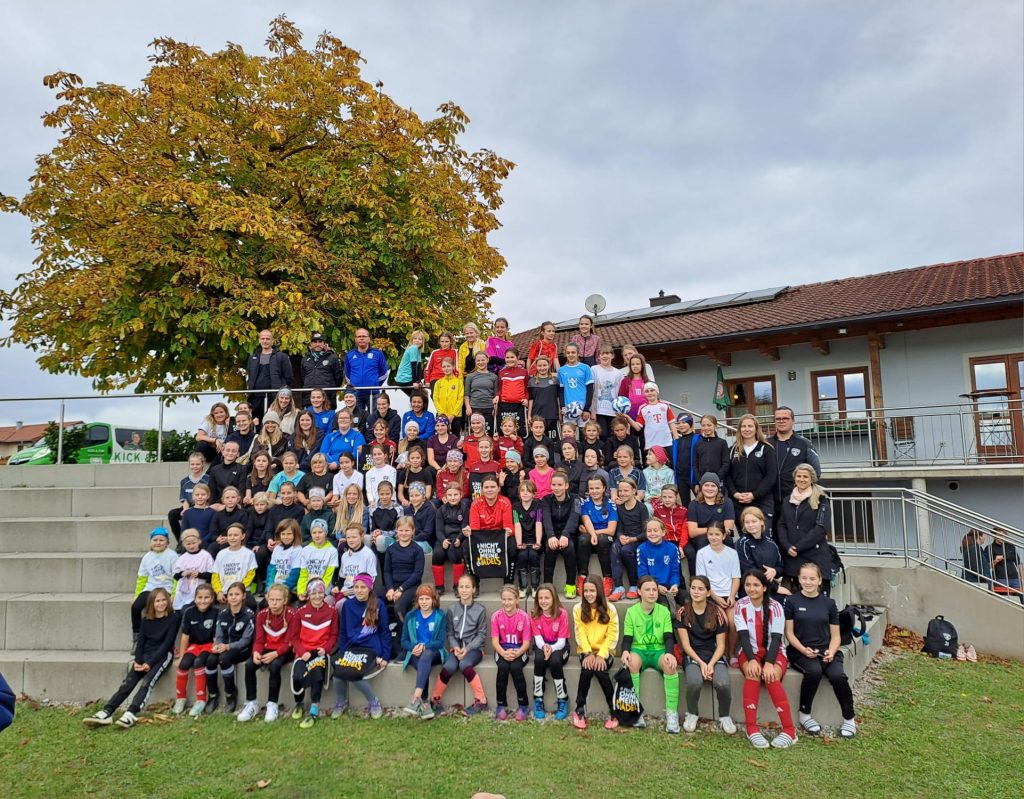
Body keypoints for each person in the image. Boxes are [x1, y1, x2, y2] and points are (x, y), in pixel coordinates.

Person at [83, 587, 178, 729]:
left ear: (169, 601)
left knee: (147, 682)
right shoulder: (146, 620)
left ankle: (131, 713)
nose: (161, 603)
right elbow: (140, 643)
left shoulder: (174, 619)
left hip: (162, 656)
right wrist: (138, 661)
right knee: (127, 683)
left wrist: (150, 663)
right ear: (151, 604)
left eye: (164, 600)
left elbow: (167, 644)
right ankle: (107, 711)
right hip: (145, 655)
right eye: (157, 601)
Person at [785, 562, 857, 739]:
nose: (808, 582)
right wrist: (803, 650)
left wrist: (831, 651)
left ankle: (849, 718)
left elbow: (836, 636)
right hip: (800, 652)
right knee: (814, 672)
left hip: (826, 651)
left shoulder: (829, 603)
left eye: (812, 578)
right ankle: (805, 714)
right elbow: (789, 634)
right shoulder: (792, 601)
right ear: (798, 579)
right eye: (804, 578)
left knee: (837, 676)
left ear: (819, 580)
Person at [735, 570, 796, 749]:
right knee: (752, 672)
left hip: (774, 652)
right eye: (748, 585)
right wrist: (752, 660)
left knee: (771, 676)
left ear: (764, 587)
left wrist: (769, 663)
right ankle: (751, 728)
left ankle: (789, 731)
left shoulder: (776, 606)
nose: (751, 589)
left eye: (756, 585)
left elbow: (776, 639)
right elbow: (743, 637)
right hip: (750, 652)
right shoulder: (740, 605)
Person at [674, 575, 735, 734]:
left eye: (700, 589)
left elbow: (721, 645)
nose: (696, 592)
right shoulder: (682, 612)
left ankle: (724, 715)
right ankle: (692, 713)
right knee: (694, 682)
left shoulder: (717, 612)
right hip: (693, 655)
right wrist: (701, 663)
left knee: (722, 684)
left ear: (708, 593)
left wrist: (711, 663)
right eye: (693, 588)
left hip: (714, 654)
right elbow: (686, 645)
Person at [620, 576, 681, 732]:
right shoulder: (632, 612)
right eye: (647, 589)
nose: (652, 593)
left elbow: (668, 637)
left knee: (670, 665)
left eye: (654, 589)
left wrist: (669, 653)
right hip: (639, 650)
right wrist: (625, 651)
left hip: (658, 650)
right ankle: (635, 711)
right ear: (639, 592)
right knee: (631, 663)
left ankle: (672, 714)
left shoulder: (664, 611)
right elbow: (627, 638)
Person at [331, 573, 390, 719]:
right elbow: (343, 632)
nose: (359, 590)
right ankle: (341, 701)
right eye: (356, 587)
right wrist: (343, 652)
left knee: (355, 674)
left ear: (369, 588)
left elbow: (385, 632)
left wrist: (385, 656)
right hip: (351, 647)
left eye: (363, 587)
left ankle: (373, 701)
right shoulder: (347, 605)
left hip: (370, 648)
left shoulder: (378, 604)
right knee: (337, 674)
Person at [430, 572, 489, 715]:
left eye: (467, 587)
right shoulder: (452, 609)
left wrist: (467, 648)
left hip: (474, 649)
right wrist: (455, 647)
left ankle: (481, 701)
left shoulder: (480, 610)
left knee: (464, 664)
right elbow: (450, 633)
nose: (464, 590)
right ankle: (434, 699)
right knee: (449, 666)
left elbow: (481, 635)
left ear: (473, 589)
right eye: (461, 587)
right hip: (456, 649)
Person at [236, 583, 296, 722]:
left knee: (275, 666)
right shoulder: (262, 615)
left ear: (285, 600)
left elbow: (289, 642)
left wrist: (275, 654)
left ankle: (272, 704)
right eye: (271, 599)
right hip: (267, 647)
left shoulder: (292, 614)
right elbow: (259, 640)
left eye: (278, 600)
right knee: (250, 665)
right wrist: (256, 652)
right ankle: (252, 703)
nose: (274, 603)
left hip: (284, 650)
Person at [776, 464, 833, 595]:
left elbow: (821, 528)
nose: (801, 479)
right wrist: (787, 546)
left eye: (805, 477)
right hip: (792, 560)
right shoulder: (787, 500)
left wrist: (798, 547)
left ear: (811, 479)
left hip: (814, 557)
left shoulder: (821, 499)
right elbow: (781, 525)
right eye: (799, 476)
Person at [571, 575, 619, 729]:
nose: (588, 594)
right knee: (587, 667)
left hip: (605, 651)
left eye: (592, 590)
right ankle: (579, 709)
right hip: (586, 650)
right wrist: (588, 653)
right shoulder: (578, 609)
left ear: (599, 591)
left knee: (600, 669)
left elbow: (612, 635)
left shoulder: (610, 609)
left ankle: (614, 709)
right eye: (585, 591)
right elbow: (580, 634)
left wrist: (601, 655)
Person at [290, 578, 338, 727]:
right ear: (308, 594)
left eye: (320, 592)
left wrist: (326, 648)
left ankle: (313, 710)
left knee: (317, 674)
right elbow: (294, 637)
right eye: (313, 593)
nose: (317, 596)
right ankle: (299, 703)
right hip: (303, 653)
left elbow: (334, 636)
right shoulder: (300, 612)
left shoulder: (332, 611)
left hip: (320, 653)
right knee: (297, 676)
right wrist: (301, 652)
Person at [768, 406, 821, 532]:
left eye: (785, 418)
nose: (781, 421)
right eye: (778, 419)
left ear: (792, 421)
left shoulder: (804, 443)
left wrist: (803, 492)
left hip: (795, 502)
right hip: (770, 503)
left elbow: (816, 472)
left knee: (794, 537)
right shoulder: (766, 443)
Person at [401, 584, 448, 720]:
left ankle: (416, 697)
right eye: (421, 599)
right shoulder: (411, 616)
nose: (424, 602)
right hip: (415, 653)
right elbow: (404, 641)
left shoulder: (440, 615)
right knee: (423, 664)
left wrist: (424, 646)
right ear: (417, 600)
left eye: (427, 598)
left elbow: (440, 641)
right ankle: (425, 703)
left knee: (426, 655)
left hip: (434, 652)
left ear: (433, 599)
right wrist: (413, 647)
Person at [172, 583, 218, 716]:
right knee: (183, 664)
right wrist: (181, 656)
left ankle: (201, 700)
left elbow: (216, 636)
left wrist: (215, 649)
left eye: (206, 597)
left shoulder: (216, 613)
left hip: (209, 645)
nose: (203, 601)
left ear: (212, 598)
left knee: (198, 662)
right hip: (194, 646)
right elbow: (185, 636)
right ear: (195, 598)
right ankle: (180, 698)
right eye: (200, 597)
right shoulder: (189, 612)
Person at [489, 585, 532, 723]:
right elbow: (495, 641)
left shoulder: (524, 617)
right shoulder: (496, 616)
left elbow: (526, 643)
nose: (506, 602)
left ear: (517, 600)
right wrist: (503, 653)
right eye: (504, 599)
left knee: (515, 667)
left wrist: (517, 653)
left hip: (520, 650)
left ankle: (523, 705)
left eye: (510, 599)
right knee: (502, 667)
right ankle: (501, 705)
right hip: (502, 650)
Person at [725, 414, 778, 524]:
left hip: (762, 501)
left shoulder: (766, 449)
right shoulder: (732, 450)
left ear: (756, 428)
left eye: (750, 426)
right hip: (738, 502)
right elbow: (727, 475)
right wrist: (734, 493)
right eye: (743, 426)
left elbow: (771, 476)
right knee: (745, 534)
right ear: (739, 429)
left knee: (762, 533)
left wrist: (755, 494)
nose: (747, 429)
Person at [530, 584, 570, 720]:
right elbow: (538, 639)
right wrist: (545, 647)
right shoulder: (535, 614)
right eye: (540, 598)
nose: (543, 601)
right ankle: (538, 698)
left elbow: (562, 642)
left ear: (554, 598)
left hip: (560, 647)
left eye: (547, 597)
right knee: (539, 659)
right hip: (542, 645)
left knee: (554, 661)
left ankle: (562, 698)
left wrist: (551, 649)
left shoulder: (562, 613)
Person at [468, 474, 515, 589]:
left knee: (512, 546)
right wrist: (468, 532)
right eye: (486, 487)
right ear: (482, 490)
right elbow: (475, 528)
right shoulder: (476, 503)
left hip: (500, 536)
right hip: (482, 536)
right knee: (466, 546)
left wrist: (509, 532)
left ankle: (508, 583)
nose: (489, 490)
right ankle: (474, 584)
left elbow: (508, 526)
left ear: (498, 488)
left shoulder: (505, 502)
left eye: (493, 487)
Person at [686, 473, 736, 580]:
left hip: (721, 536)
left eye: (713, 486)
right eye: (706, 485)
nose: (709, 488)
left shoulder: (727, 502)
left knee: (728, 540)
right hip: (700, 538)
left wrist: (712, 532)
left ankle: (729, 577)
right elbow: (692, 532)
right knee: (703, 541)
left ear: (718, 488)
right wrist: (712, 530)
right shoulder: (694, 504)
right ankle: (701, 579)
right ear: (701, 487)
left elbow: (728, 529)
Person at [131, 527, 177, 640]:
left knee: (165, 610)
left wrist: (174, 594)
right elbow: (142, 578)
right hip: (150, 588)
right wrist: (137, 595)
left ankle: (166, 637)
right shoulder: (147, 557)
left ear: (167, 543)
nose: (158, 543)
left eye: (161, 540)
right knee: (136, 607)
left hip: (166, 588)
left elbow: (176, 578)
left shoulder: (172, 556)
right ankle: (137, 635)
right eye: (155, 540)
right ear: (151, 542)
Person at [608, 478, 648, 601]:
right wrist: (620, 536)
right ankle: (619, 587)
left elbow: (646, 531)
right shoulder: (619, 507)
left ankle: (634, 585)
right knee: (614, 548)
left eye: (626, 490)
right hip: (625, 538)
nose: (623, 493)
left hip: (638, 539)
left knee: (626, 551)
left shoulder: (642, 508)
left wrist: (633, 539)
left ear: (634, 491)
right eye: (620, 491)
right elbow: (619, 527)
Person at [542, 471, 579, 598]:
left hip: (568, 534)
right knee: (550, 549)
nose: (556, 488)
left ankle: (570, 585)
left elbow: (574, 517)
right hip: (552, 534)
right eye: (553, 485)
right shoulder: (546, 500)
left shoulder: (576, 498)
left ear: (566, 485)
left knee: (569, 549)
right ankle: (547, 587)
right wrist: (551, 536)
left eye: (559, 485)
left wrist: (565, 534)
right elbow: (546, 519)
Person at [579, 475, 617, 596]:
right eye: (591, 488)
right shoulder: (585, 503)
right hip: (590, 536)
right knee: (583, 539)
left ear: (604, 488)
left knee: (603, 539)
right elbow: (586, 521)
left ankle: (607, 578)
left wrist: (593, 533)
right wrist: (591, 533)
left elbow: (611, 530)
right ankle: (582, 576)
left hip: (605, 538)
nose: (594, 491)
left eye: (597, 488)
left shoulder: (611, 504)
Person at [737, 507, 788, 596]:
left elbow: (781, 567)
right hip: (752, 590)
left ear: (761, 522)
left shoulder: (771, 542)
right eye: (747, 522)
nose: (750, 525)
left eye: (754, 521)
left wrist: (774, 571)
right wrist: (776, 588)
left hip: (770, 589)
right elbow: (750, 571)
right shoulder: (742, 543)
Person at [384, 517, 426, 623]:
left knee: (398, 607)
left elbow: (417, 574)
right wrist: (390, 588)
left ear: (413, 531)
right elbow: (387, 571)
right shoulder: (391, 549)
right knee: (376, 600)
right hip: (393, 585)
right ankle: (384, 631)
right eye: (401, 530)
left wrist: (401, 589)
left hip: (410, 586)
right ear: (396, 531)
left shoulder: (417, 550)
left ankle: (402, 632)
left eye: (407, 530)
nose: (403, 533)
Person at [247, 329, 293, 422]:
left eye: (268, 339)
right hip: (255, 397)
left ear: (272, 341)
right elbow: (250, 376)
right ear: (259, 340)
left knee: (273, 421)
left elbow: (289, 377)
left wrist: (280, 390)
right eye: (262, 338)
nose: (265, 341)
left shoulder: (282, 357)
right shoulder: (252, 358)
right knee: (256, 423)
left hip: (274, 397)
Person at [432, 484, 469, 596]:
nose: (453, 497)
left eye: (455, 494)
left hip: (458, 538)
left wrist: (459, 539)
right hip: (444, 538)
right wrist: (442, 540)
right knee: (438, 554)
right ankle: (439, 586)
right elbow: (438, 529)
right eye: (450, 495)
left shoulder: (465, 509)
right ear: (445, 496)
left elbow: (464, 526)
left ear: (461, 495)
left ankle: (457, 585)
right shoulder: (441, 510)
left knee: (457, 554)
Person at [637, 518, 682, 609]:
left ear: (663, 532)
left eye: (655, 530)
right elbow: (643, 575)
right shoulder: (641, 549)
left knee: (687, 600)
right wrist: (657, 586)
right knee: (664, 606)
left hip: (669, 585)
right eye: (649, 531)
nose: (652, 533)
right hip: (652, 587)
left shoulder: (673, 548)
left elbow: (675, 571)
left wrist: (674, 585)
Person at [345, 328, 389, 415]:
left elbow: (384, 373)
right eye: (359, 336)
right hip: (356, 394)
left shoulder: (377, 353)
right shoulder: (349, 355)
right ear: (355, 339)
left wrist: (375, 384)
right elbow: (347, 375)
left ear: (368, 339)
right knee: (356, 419)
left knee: (374, 419)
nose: (361, 338)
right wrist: (354, 385)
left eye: (364, 336)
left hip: (373, 393)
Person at [211, 523, 258, 605]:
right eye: (230, 535)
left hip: (242, 591)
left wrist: (238, 590)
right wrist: (219, 591)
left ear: (243, 536)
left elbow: (250, 575)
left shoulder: (249, 554)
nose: (232, 538)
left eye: (236, 535)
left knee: (252, 604)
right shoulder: (221, 554)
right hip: (224, 591)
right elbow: (215, 575)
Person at [512, 479, 544, 597]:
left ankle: (535, 586)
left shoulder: (538, 505)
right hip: (522, 540)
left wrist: (538, 542)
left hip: (535, 538)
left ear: (534, 494)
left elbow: (538, 523)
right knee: (523, 555)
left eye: (528, 491)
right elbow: (517, 525)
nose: (525, 493)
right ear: (519, 493)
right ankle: (523, 586)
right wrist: (519, 543)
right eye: (522, 491)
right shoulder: (515, 507)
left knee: (534, 555)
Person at [171, 529, 214, 611]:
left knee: (187, 610)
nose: (191, 546)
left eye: (194, 543)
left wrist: (199, 574)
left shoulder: (206, 556)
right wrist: (182, 573)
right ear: (183, 544)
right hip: (182, 593)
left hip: (198, 593)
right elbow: (175, 576)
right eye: (188, 544)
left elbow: (211, 574)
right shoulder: (181, 558)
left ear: (199, 541)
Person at [296, 520, 339, 599]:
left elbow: (328, 577)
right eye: (314, 533)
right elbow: (303, 575)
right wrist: (301, 592)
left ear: (325, 533)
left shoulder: (332, 551)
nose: (317, 535)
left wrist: (315, 592)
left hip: (324, 590)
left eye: (320, 532)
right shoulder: (305, 550)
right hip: (308, 589)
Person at [300, 332, 344, 409]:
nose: (317, 344)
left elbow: (339, 378)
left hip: (328, 399)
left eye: (320, 342)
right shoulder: (304, 360)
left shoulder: (333, 358)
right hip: (309, 399)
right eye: (315, 342)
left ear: (324, 344)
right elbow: (303, 378)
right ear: (310, 344)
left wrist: (329, 390)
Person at [629, 383, 677, 451]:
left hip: (666, 442)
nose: (650, 393)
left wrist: (676, 438)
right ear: (644, 394)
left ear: (657, 392)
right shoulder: (643, 408)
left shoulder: (665, 405)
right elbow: (638, 427)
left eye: (652, 390)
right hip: (651, 444)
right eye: (647, 391)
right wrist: (628, 418)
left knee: (669, 458)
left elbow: (671, 423)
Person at [557, 343, 594, 428]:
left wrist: (586, 409)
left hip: (583, 408)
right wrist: (563, 407)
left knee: (584, 434)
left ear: (578, 353)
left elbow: (590, 389)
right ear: (565, 354)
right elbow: (561, 391)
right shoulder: (561, 370)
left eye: (573, 352)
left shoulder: (585, 368)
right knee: (569, 434)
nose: (571, 355)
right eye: (568, 352)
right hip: (568, 409)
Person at [321, 410, 367, 474]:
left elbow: (356, 454)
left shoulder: (357, 436)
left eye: (346, 418)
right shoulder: (329, 436)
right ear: (337, 420)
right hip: (329, 467)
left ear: (351, 421)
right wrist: (331, 463)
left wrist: (338, 463)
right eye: (341, 418)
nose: (343, 420)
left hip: (349, 468)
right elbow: (323, 453)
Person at [496, 348, 529, 435]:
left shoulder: (524, 372)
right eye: (507, 357)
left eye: (512, 357)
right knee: (504, 429)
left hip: (519, 406)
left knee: (519, 430)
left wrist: (526, 398)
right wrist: (497, 396)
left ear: (518, 357)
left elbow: (527, 389)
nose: (509, 359)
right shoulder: (501, 372)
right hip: (504, 406)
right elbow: (500, 389)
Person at [692, 415, 730, 492]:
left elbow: (726, 463)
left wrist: (716, 479)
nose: (706, 428)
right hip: (703, 483)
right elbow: (695, 465)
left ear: (715, 426)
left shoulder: (722, 443)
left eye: (709, 425)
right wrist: (700, 480)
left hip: (719, 482)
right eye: (703, 425)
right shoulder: (697, 444)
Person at [527, 356, 560, 442]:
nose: (542, 368)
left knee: (552, 442)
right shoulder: (531, 381)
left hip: (552, 414)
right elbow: (531, 399)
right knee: (537, 441)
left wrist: (559, 412)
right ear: (536, 366)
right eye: (539, 365)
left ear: (549, 365)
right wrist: (529, 415)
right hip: (537, 416)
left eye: (544, 365)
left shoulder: (555, 380)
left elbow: (557, 397)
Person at [465, 351, 499, 435]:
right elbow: (467, 394)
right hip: (474, 408)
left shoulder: (494, 377)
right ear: (475, 362)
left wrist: (496, 408)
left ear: (487, 360)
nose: (480, 362)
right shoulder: (470, 376)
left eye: (483, 360)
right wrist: (468, 407)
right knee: (475, 434)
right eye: (478, 360)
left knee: (488, 433)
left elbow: (496, 394)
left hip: (489, 408)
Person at [266, 519, 302, 596]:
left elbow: (295, 574)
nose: (286, 537)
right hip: (276, 586)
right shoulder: (277, 548)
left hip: (289, 588)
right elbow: (272, 570)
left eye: (289, 534)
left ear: (295, 534)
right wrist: (269, 588)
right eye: (283, 534)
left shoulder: (297, 550)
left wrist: (283, 589)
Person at [432, 357, 465, 437]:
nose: (446, 368)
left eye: (448, 366)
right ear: (441, 368)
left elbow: (460, 399)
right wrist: (442, 414)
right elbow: (435, 399)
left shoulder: (459, 382)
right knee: (441, 436)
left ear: (453, 367)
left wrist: (453, 415)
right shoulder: (438, 383)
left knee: (455, 436)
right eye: (444, 367)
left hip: (456, 416)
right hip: (441, 415)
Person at [991, 530, 1023, 603]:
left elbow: (1018, 563)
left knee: (1021, 597)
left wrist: (1022, 578)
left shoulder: (1010, 546)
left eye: (1004, 536)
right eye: (1000, 535)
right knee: (1003, 600)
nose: (1002, 537)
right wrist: (995, 561)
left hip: (1014, 578)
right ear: (994, 536)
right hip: (1001, 578)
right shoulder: (990, 548)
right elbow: (988, 565)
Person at [673, 415, 699, 499]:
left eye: (684, 422)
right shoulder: (677, 441)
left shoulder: (698, 439)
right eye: (679, 423)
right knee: (685, 504)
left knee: (701, 502)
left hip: (694, 477)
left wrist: (698, 481)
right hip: (681, 478)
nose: (681, 425)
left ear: (690, 423)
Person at [394, 330, 426, 394]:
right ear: (412, 340)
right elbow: (414, 366)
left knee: (423, 394)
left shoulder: (418, 350)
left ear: (422, 341)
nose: (417, 340)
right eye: (415, 338)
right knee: (420, 395)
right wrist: (414, 382)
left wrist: (419, 381)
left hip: (408, 379)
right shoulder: (413, 348)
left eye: (419, 339)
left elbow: (419, 367)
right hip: (404, 379)